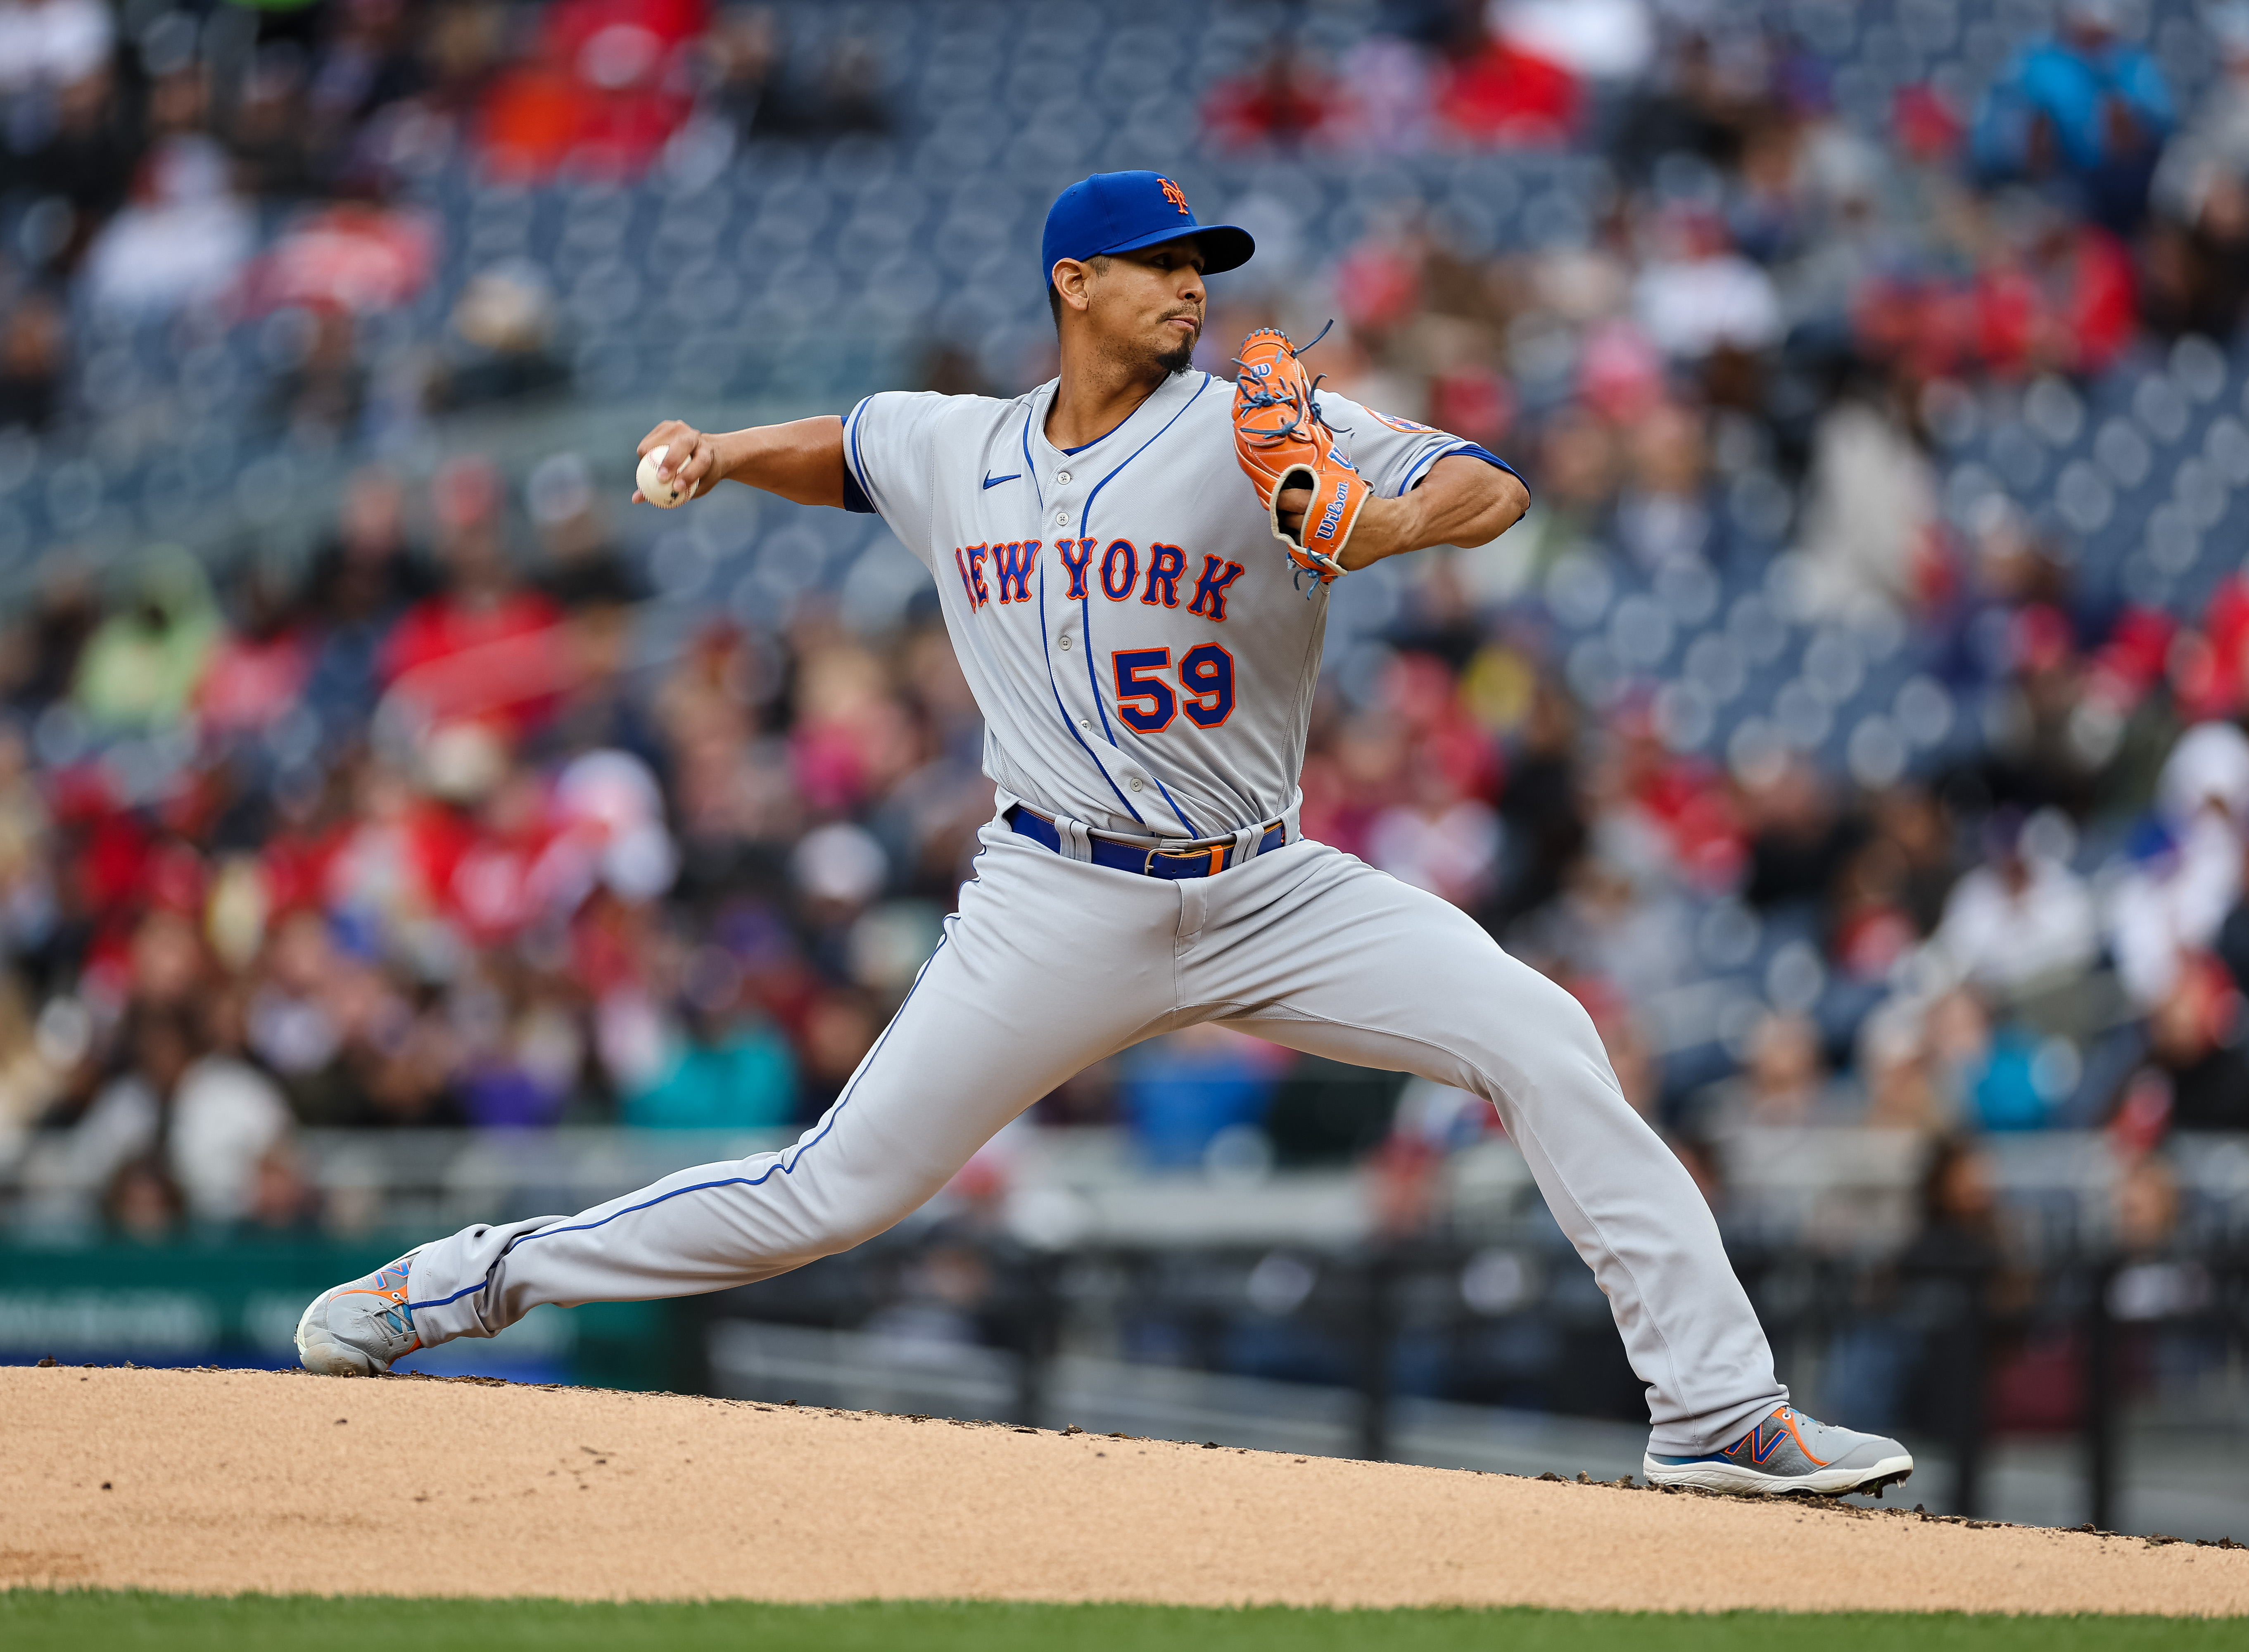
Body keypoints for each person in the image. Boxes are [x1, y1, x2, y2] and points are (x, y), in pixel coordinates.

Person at [295, 170, 1911, 1499]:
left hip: (1265, 885)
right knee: (836, 1188)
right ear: (1075, 283)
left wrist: (1378, 518)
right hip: (1053, 894)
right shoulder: (963, 448)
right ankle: (472, 1276)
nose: (1194, 289)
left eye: (1205, 266)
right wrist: (721, 457)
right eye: (1159, 267)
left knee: (1542, 1032)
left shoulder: (1255, 427)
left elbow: (1491, 484)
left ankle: (1713, 1410)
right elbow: (851, 444)